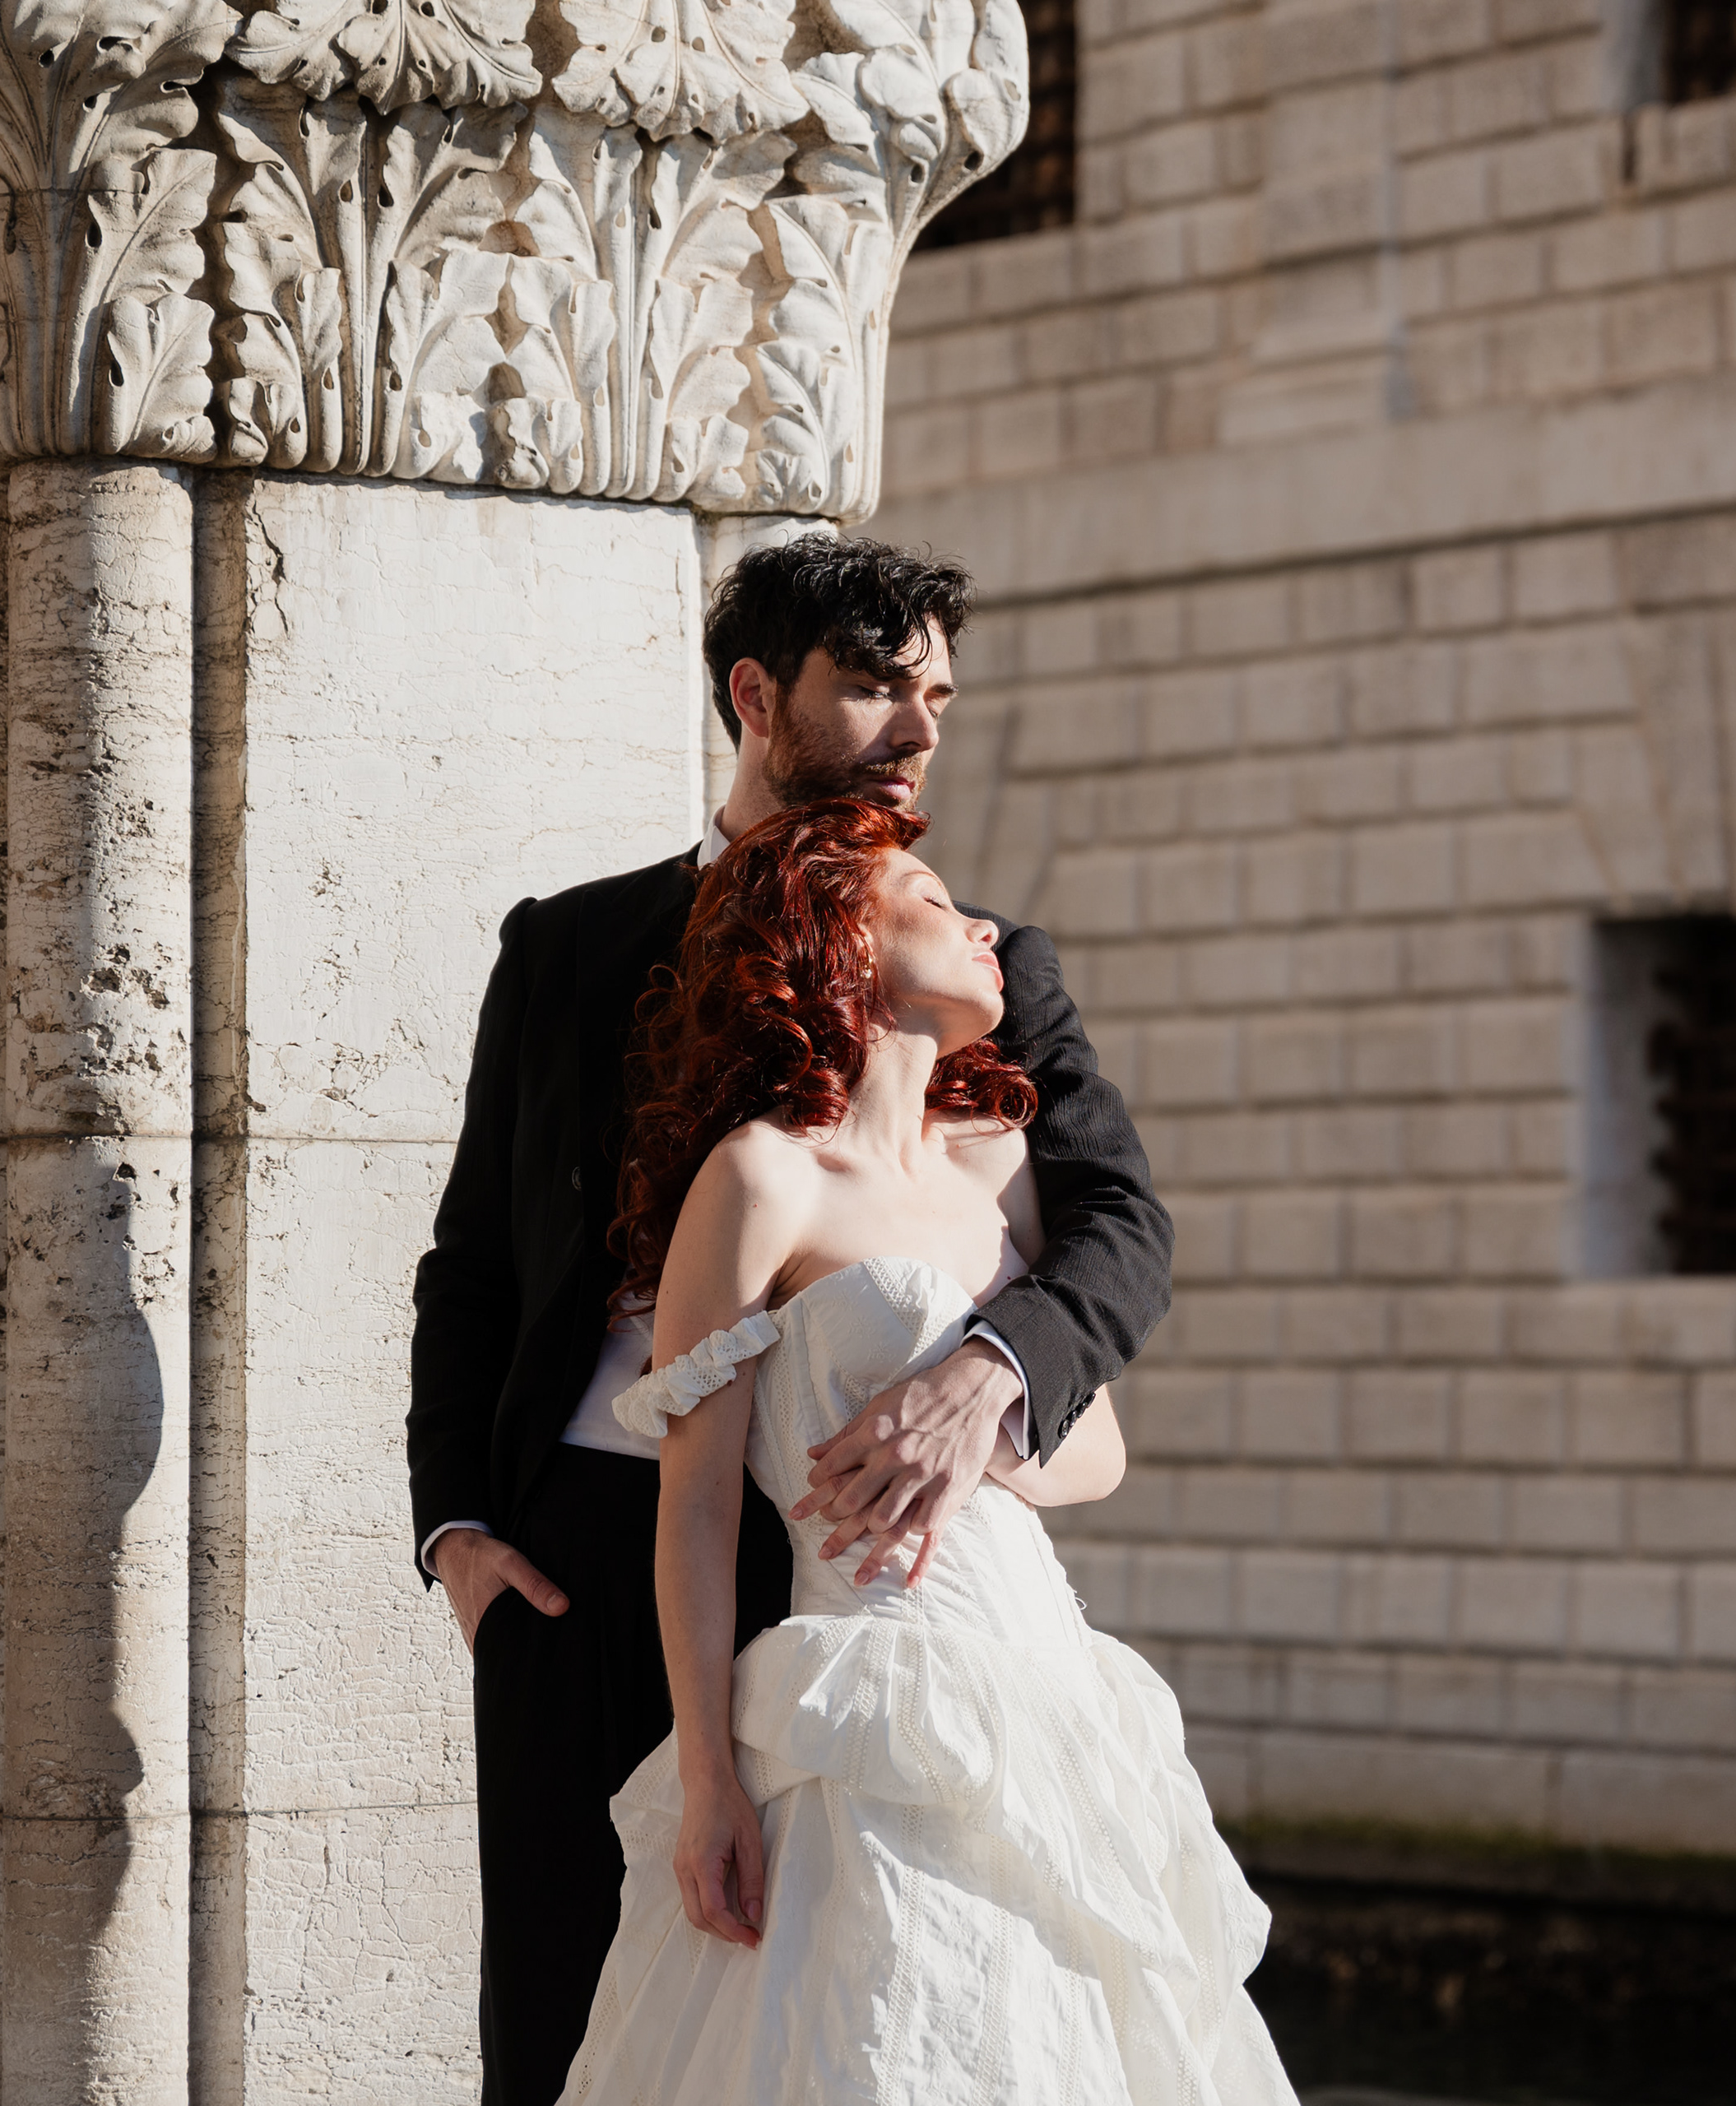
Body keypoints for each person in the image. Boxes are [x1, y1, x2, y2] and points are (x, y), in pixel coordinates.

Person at [406, 538, 1176, 2106]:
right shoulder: (562, 947)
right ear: (759, 697)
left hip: (864, 1574)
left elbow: (1122, 1231)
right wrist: (462, 1535)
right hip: (589, 1570)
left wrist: (994, 1370)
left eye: (938, 694)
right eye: (878, 683)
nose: (921, 728)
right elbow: (475, 1263)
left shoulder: (991, 965)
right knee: (566, 2032)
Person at [555, 796, 1294, 2104]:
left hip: (1047, 1691)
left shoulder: (999, 1167)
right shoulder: (761, 1176)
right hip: (867, 1700)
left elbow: (1099, 1451)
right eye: (938, 900)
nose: (984, 927)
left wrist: (964, 1415)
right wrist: (712, 1779)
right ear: (841, 932)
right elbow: (698, 1509)